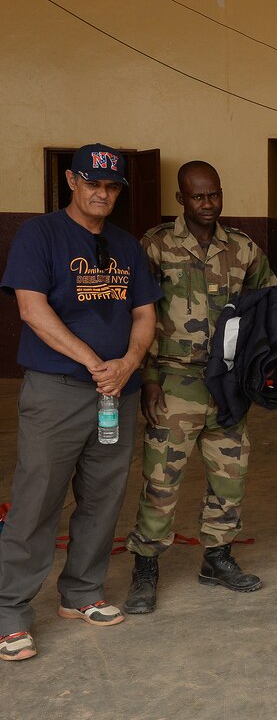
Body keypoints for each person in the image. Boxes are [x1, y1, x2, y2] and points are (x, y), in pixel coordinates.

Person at [0, 144, 161, 661]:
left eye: (112, 186)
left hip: (118, 392)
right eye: (93, 183)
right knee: (37, 497)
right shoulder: (40, 234)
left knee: (102, 494)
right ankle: (10, 612)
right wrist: (95, 363)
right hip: (58, 390)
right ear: (72, 180)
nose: (102, 193)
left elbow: (144, 313)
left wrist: (128, 365)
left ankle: (82, 592)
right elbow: (31, 307)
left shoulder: (126, 246)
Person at [122, 161, 277, 614]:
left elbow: (268, 303)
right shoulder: (155, 245)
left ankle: (217, 557)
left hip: (227, 385)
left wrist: (255, 369)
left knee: (229, 476)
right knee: (160, 479)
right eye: (198, 196)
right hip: (174, 382)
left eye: (214, 194)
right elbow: (139, 314)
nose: (208, 204)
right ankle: (145, 568)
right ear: (181, 200)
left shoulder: (243, 248)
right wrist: (148, 378)